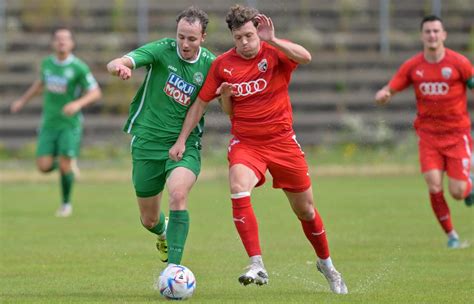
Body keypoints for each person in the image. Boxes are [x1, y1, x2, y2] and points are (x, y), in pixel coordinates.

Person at [169, 5, 348, 294]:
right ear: (232, 36)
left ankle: (326, 264)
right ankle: (256, 264)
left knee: (306, 211)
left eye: (250, 36)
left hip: (282, 142)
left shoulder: (273, 52)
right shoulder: (223, 65)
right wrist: (181, 140)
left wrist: (273, 40)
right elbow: (203, 104)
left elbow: (306, 57)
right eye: (239, 37)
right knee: (238, 186)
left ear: (258, 32)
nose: (245, 43)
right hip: (247, 143)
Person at [106, 7, 215, 266]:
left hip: (184, 144)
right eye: (181, 37)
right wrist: (119, 68)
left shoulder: (211, 64)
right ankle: (163, 234)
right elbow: (116, 62)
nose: (185, 44)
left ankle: (174, 269)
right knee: (149, 220)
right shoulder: (162, 50)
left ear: (203, 37)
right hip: (146, 141)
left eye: (191, 38)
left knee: (177, 195)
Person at [375, 15, 474, 248]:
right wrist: (384, 94)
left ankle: (469, 182)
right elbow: (392, 86)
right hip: (429, 136)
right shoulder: (413, 66)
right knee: (433, 184)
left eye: (436, 31)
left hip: (457, 134)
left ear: (444, 35)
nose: (432, 35)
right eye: (428, 31)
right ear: (422, 36)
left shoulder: (458, 63)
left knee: (458, 192)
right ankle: (452, 236)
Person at [10, 27, 102, 217]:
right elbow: (39, 85)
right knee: (43, 166)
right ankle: (66, 164)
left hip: (70, 124)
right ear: (53, 43)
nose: (61, 42)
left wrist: (77, 104)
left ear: (72, 43)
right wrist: (22, 101)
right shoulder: (47, 64)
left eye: (65, 39)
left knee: (64, 165)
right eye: (58, 39)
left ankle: (66, 204)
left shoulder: (79, 67)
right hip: (49, 123)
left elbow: (95, 92)